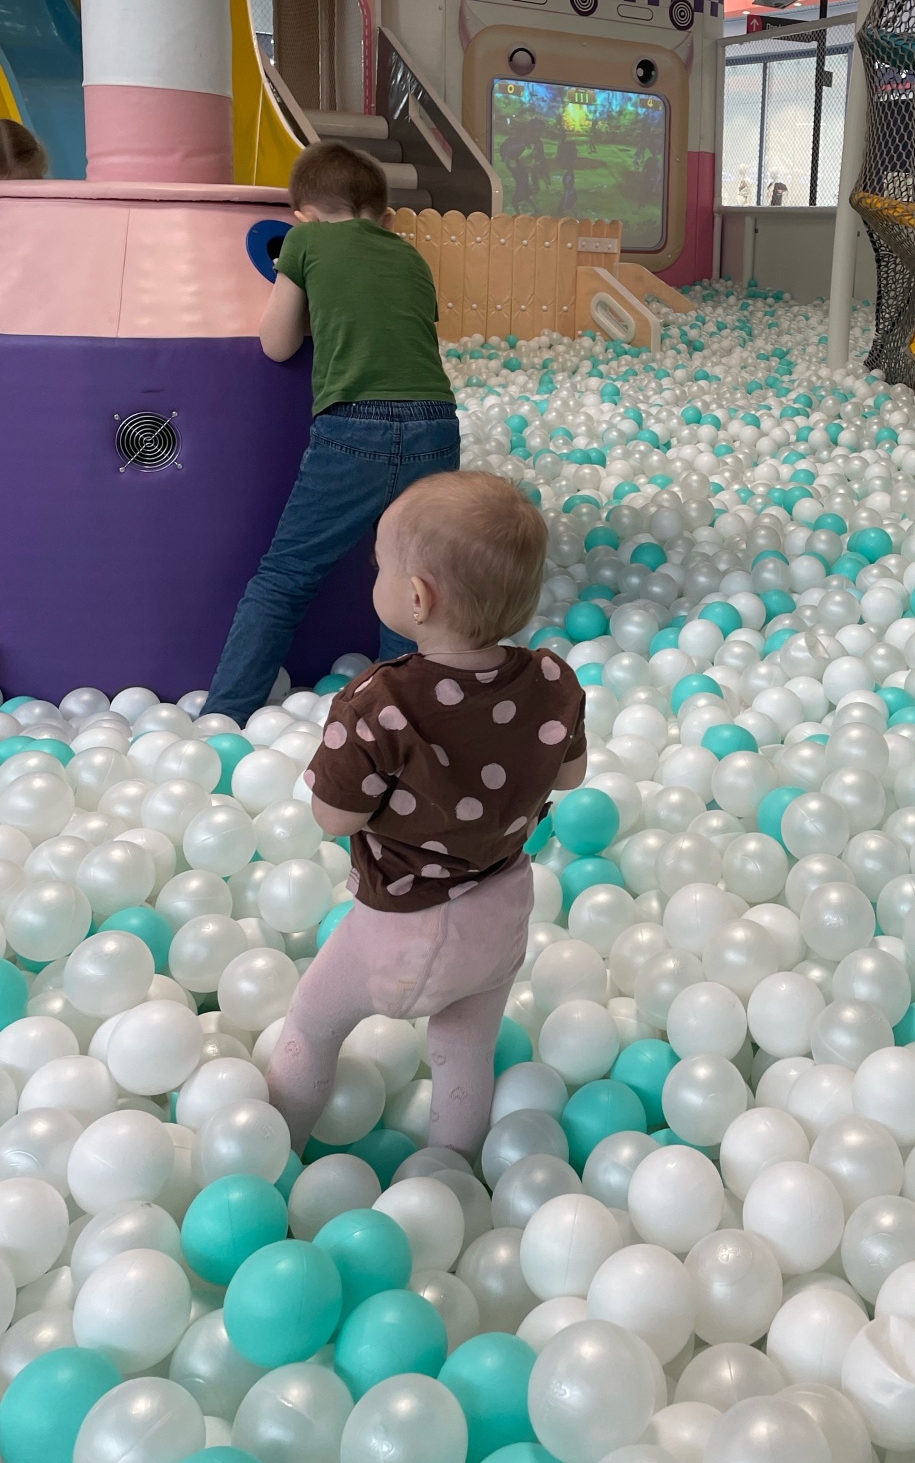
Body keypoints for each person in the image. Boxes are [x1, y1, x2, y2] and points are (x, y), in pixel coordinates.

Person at [265, 471, 586, 1156]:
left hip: (398, 930)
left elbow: (334, 817)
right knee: (464, 1056)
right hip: (498, 917)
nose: (375, 575)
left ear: (416, 597)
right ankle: (453, 1172)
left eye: (380, 565)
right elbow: (570, 773)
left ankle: (279, 1147)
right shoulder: (553, 681)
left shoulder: (380, 703)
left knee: (313, 1024)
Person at [204, 142, 459, 722]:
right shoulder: (411, 257)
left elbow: (277, 344)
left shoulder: (306, 242)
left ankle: (226, 713)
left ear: (305, 215)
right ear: (385, 218)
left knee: (286, 575)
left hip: (355, 427)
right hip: (436, 424)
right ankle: (400, 715)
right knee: (412, 575)